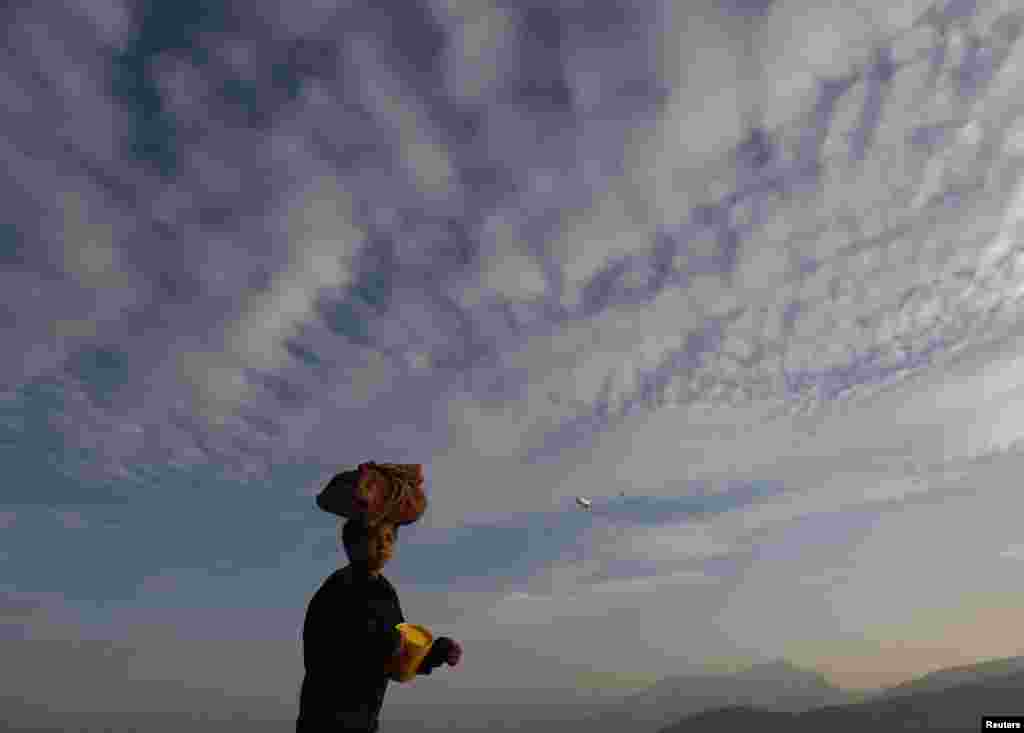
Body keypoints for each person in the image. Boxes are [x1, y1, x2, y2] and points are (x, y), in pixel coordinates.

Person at [296, 518, 463, 732]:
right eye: (373, 537)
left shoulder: (385, 591)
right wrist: (384, 646)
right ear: (351, 546)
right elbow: (328, 653)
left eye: (389, 538)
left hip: (365, 721)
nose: (383, 544)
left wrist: (438, 652)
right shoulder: (338, 589)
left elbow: (401, 659)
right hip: (325, 719)